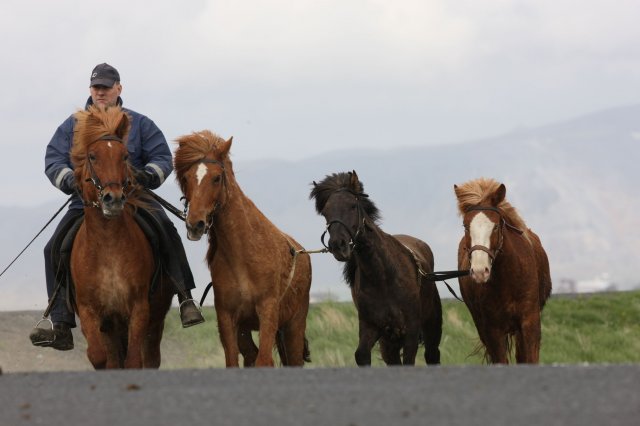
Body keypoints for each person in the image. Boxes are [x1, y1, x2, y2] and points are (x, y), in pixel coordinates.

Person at [29, 63, 204, 351]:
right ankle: (60, 322)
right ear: (90, 90)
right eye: (96, 87)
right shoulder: (72, 126)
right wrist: (71, 180)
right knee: (53, 248)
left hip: (135, 197)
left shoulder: (140, 124)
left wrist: (147, 175)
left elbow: (161, 157)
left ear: (118, 89)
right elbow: (53, 160)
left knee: (166, 229)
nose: (101, 92)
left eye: (106, 87)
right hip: (86, 201)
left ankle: (186, 298)